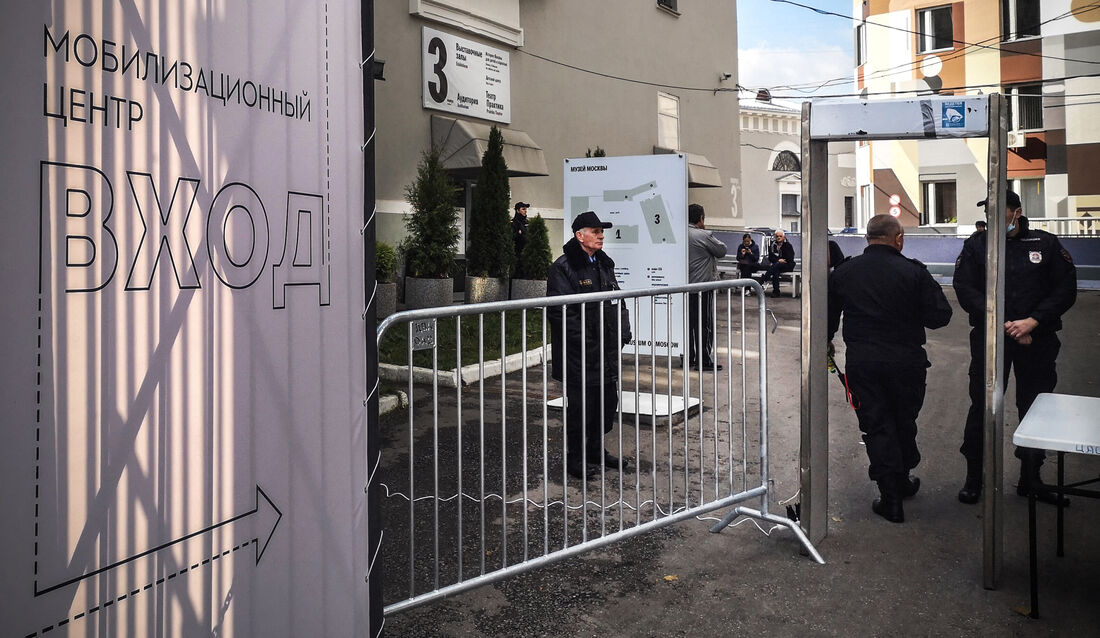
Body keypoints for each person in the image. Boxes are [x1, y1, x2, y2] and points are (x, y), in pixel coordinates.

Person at [953, 190, 1077, 506]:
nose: (993, 216)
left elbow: (1064, 290)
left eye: (1000, 210)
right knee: (982, 405)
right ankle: (974, 478)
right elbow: (965, 289)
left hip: (1036, 339)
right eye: (988, 211)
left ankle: (1031, 477)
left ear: (1016, 212)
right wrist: (1009, 324)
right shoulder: (976, 245)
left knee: (1034, 407)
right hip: (992, 338)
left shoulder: (1045, 244)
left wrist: (1033, 321)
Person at [828, 214, 952, 523]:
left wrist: (826, 342)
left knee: (877, 425)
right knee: (903, 421)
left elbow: (827, 316)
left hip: (864, 363)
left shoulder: (845, 272)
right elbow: (940, 316)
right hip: (906, 363)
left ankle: (891, 493)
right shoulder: (913, 272)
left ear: (867, 238)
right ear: (898, 239)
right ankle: (900, 481)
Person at [547, 211, 633, 480]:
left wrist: (623, 332)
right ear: (579, 235)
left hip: (606, 350)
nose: (601, 235)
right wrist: (585, 341)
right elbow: (561, 313)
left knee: (605, 404)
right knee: (581, 409)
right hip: (579, 354)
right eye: (595, 231)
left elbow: (617, 300)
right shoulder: (563, 268)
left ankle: (596, 451)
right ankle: (576, 458)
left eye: (602, 231)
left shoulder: (604, 264)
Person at [687, 204, 727, 370]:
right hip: (702, 287)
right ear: (701, 218)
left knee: (687, 324)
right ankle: (703, 361)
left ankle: (688, 358)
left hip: (683, 288)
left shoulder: (679, 233)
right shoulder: (704, 235)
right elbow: (721, 250)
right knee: (704, 324)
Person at [760, 229, 796, 297]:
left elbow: (790, 258)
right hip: (777, 265)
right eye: (777, 236)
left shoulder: (788, 245)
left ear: (784, 237)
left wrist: (778, 261)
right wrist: (778, 260)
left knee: (776, 266)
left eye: (780, 236)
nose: (778, 237)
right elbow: (770, 257)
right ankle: (776, 292)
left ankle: (764, 279)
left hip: (788, 265)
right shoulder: (773, 245)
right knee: (776, 270)